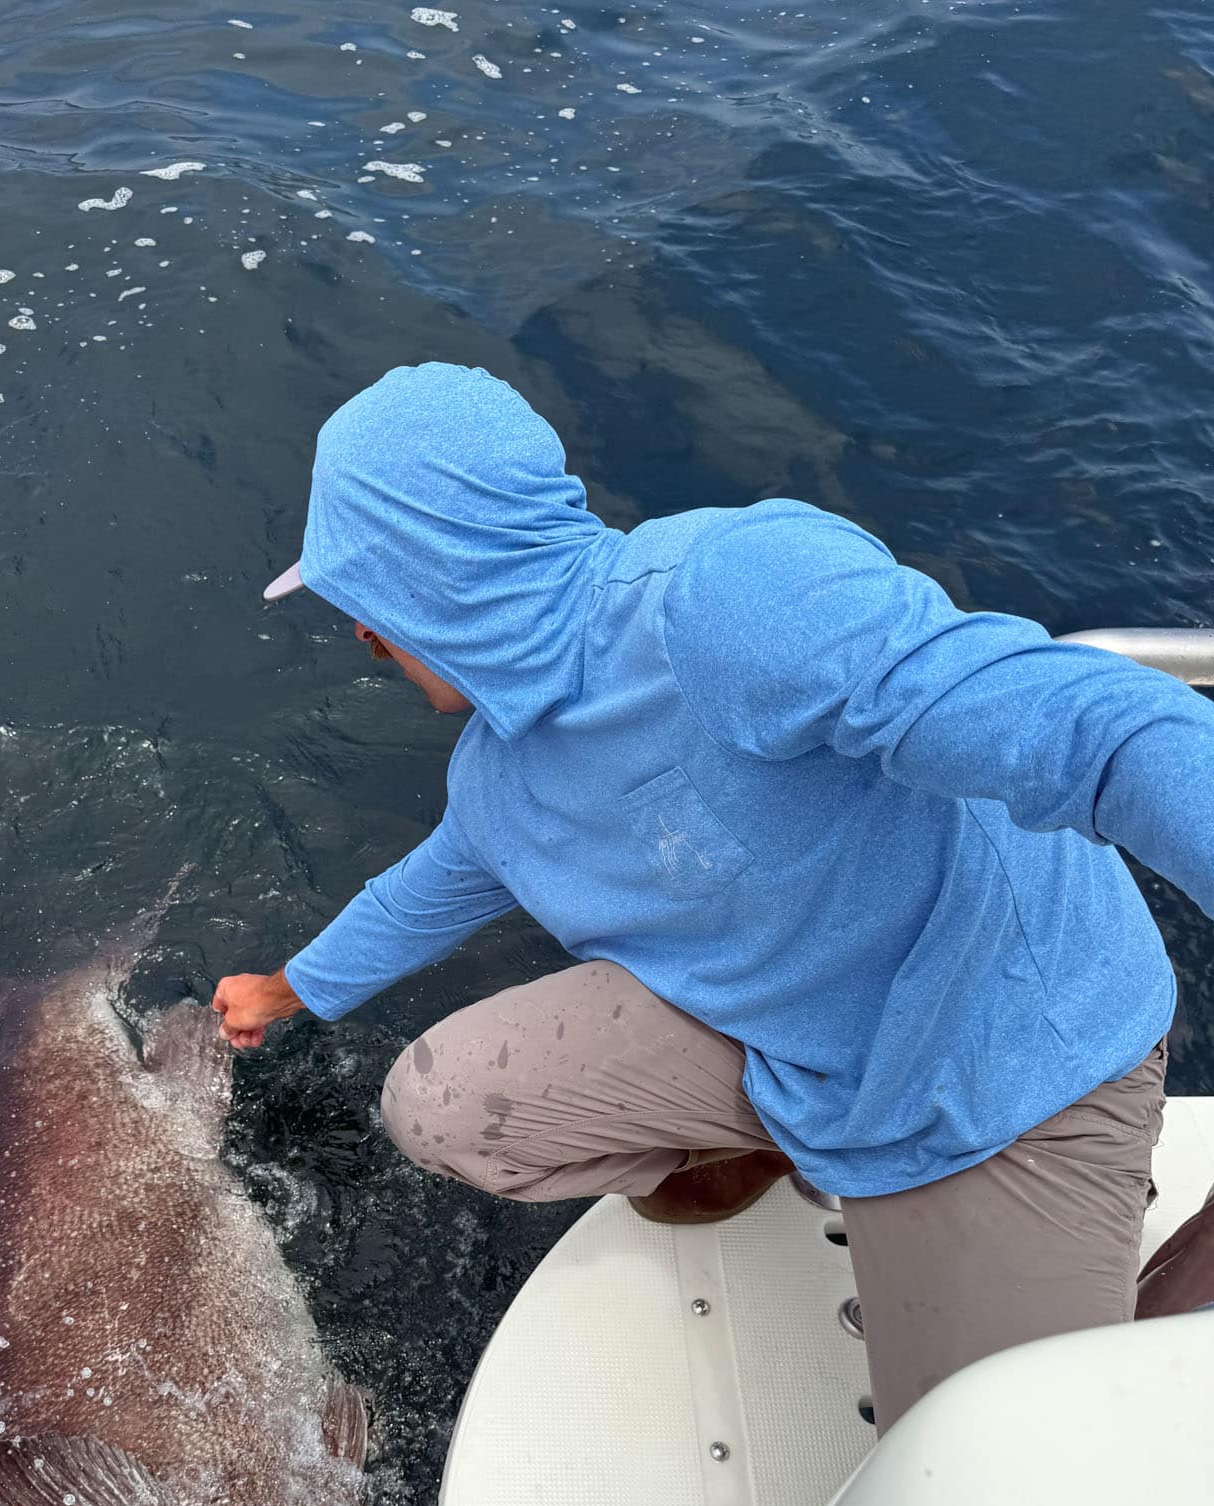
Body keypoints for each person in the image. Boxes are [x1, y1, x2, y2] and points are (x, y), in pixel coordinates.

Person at [213, 362, 1214, 1432]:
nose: (364, 637)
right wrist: (281, 992)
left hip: (1019, 1061)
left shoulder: (730, 594)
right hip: (808, 1046)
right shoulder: (498, 782)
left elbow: (1094, 727)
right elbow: (421, 896)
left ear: (437, 582)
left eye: (367, 603)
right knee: (440, 1107)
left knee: (987, 1458)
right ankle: (776, 1142)